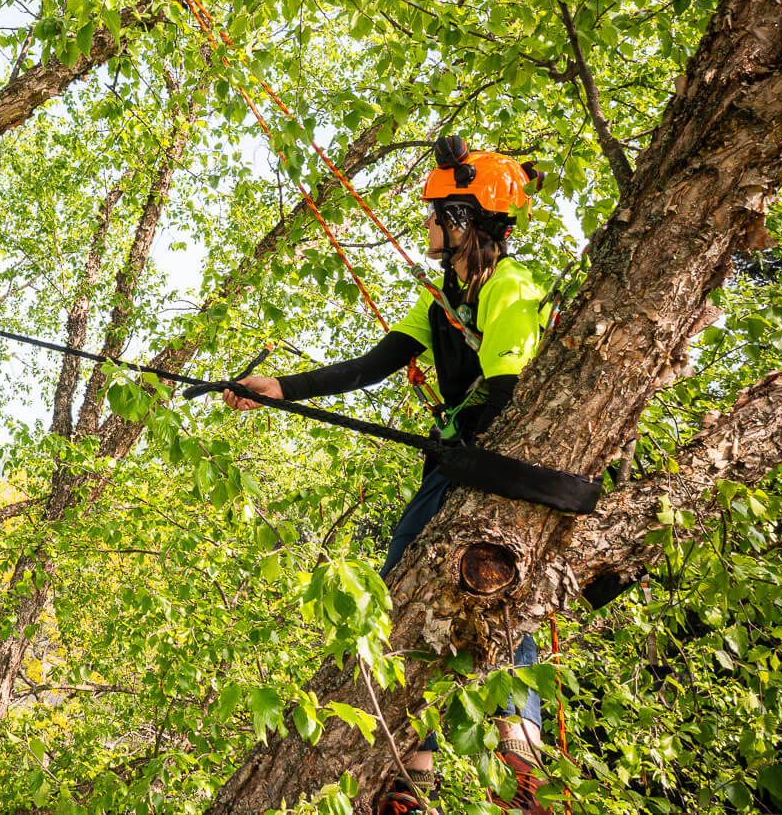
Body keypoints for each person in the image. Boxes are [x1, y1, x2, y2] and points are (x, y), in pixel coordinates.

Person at [223, 136, 553, 815]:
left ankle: (521, 761)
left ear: (465, 220)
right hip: (452, 465)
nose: (427, 226)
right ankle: (413, 777)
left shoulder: (512, 289)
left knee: (499, 601)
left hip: (492, 471)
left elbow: (506, 390)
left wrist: (460, 441)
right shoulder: (442, 304)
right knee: (409, 592)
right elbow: (369, 366)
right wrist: (278, 387)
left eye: (436, 214)